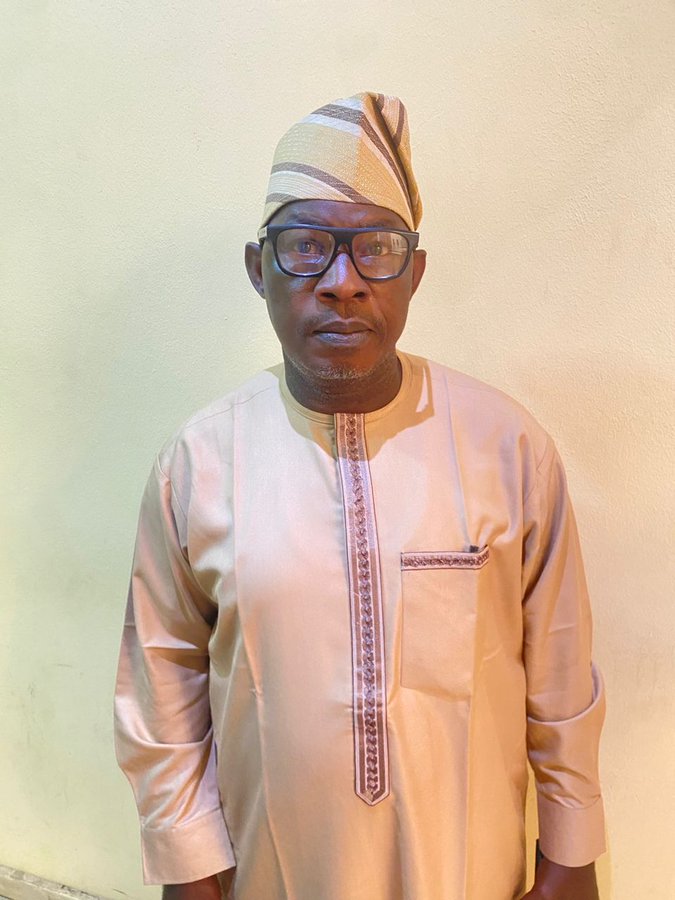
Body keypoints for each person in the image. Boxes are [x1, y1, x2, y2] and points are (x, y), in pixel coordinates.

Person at [114, 92, 606, 900]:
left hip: (469, 870)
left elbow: (558, 670)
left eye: (376, 249)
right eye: (306, 246)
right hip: (272, 871)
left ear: (414, 273)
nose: (342, 283)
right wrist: (186, 861)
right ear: (258, 269)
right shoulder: (198, 461)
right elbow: (162, 676)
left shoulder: (507, 447)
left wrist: (571, 850)